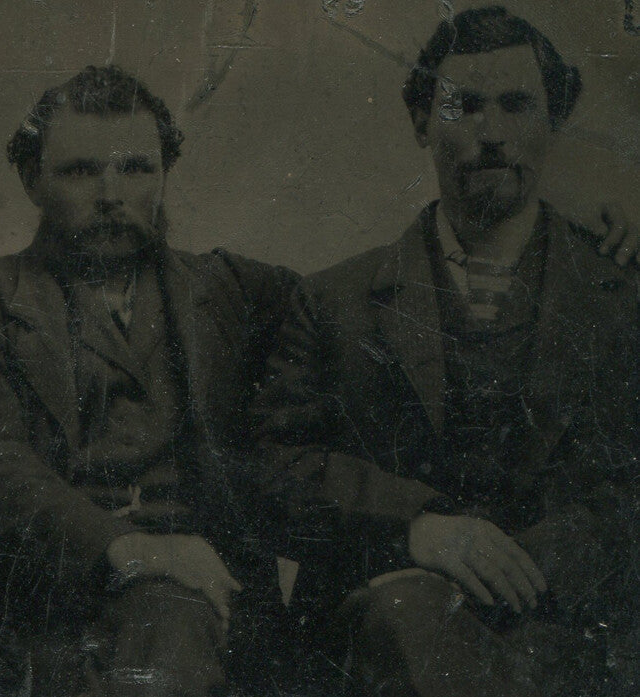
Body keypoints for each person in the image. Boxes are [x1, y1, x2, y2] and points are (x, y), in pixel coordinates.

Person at [250, 7, 640, 696]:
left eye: (517, 104)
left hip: (577, 631)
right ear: (420, 123)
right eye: (463, 105)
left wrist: (523, 565)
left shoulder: (621, 296)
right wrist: (415, 528)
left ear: (555, 118)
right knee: (414, 622)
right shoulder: (334, 301)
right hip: (386, 630)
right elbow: (273, 470)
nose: (490, 134)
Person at [0, 65, 300, 696]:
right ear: (31, 179)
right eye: (79, 170)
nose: (110, 193)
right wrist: (125, 547)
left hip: (215, 602)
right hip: (48, 606)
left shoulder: (235, 293)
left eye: (136, 168)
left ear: (165, 173)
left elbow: (359, 325)